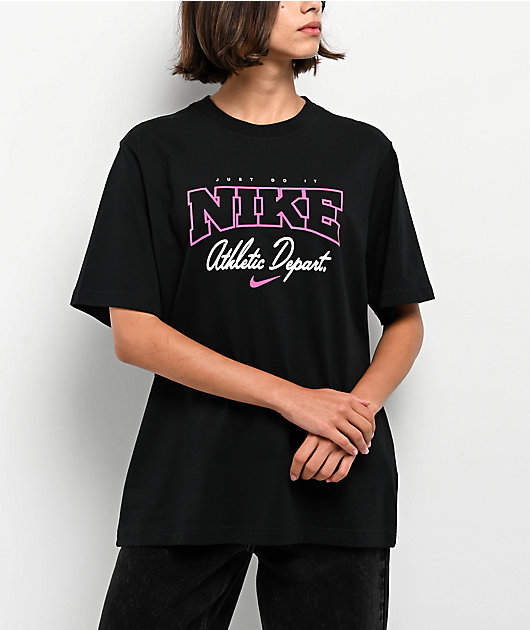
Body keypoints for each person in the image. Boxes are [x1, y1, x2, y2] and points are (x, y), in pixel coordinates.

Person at [70, 1, 435, 628]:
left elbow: (404, 319)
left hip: (331, 471)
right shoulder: (156, 151)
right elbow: (135, 334)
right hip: (192, 473)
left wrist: (352, 415)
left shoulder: (363, 152)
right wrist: (294, 400)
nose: (313, 3)